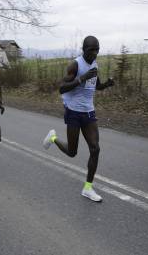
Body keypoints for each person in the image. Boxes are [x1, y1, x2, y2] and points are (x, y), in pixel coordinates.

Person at [43, 36, 114, 202]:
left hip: (88, 112)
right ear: (84, 49)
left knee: (95, 149)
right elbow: (61, 88)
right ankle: (53, 138)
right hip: (73, 111)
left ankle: (88, 188)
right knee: (72, 152)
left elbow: (95, 86)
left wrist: (107, 85)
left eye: (97, 50)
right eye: (91, 50)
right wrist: (82, 78)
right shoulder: (75, 65)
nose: (95, 53)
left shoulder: (94, 64)